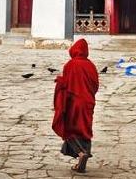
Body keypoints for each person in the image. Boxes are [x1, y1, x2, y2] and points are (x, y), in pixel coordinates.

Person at [52, 38, 99, 173]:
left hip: (73, 103)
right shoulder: (91, 66)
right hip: (88, 103)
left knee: (69, 129)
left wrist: (59, 81)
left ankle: (80, 153)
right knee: (85, 130)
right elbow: (95, 85)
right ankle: (81, 162)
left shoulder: (70, 65)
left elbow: (66, 85)